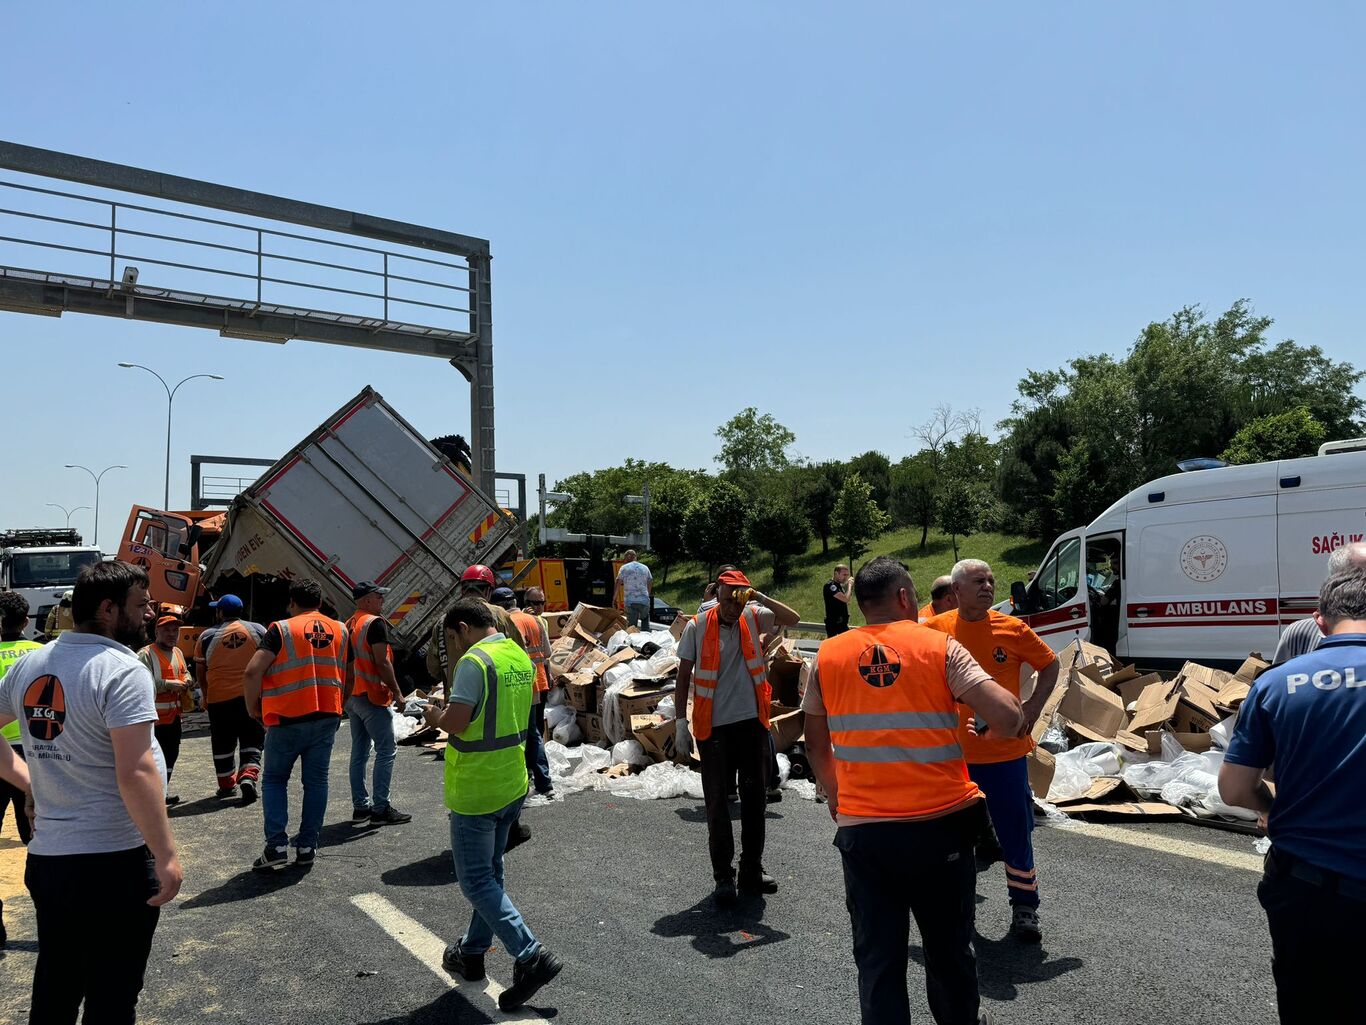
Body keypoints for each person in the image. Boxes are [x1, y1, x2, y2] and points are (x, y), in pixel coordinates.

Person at [804, 556, 1024, 1025]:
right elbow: (1008, 717)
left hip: (864, 833)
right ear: (905, 598)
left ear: (860, 603)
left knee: (879, 961)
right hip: (939, 828)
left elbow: (815, 738)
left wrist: (834, 793)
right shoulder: (940, 647)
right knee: (947, 954)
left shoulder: (828, 656)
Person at [0, 561, 183, 1023]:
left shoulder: (32, 663)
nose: (147, 615)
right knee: (112, 995)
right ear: (107, 608)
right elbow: (136, 770)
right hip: (113, 859)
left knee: (56, 988)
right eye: (140, 606)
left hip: (50, 863)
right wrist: (164, 855)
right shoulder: (120, 670)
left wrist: (30, 782)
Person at [1219, 560, 1366, 1024]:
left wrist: (1269, 805)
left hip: (1309, 891)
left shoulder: (1277, 684)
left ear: (1319, 621)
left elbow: (1234, 788)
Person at [425, 598, 564, 1012]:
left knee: (475, 881)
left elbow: (457, 722)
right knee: (492, 873)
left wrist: (434, 715)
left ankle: (530, 954)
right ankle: (472, 953)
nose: (453, 647)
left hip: (478, 786)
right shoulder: (517, 656)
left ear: (464, 628)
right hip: (511, 781)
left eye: (452, 639)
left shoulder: (474, 661)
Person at [923, 558, 1059, 943]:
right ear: (956, 592)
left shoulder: (1012, 628)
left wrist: (1031, 709)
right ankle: (957, 906)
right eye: (978, 581)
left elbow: (1050, 665)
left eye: (991, 580)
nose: (987, 586)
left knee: (1016, 833)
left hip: (1004, 756)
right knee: (952, 839)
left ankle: (1025, 907)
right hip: (953, 758)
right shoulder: (934, 630)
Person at [674, 568, 800, 906]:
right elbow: (683, 673)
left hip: (751, 725)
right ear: (717, 594)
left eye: (738, 599)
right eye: (728, 599)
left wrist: (756, 597)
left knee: (755, 800)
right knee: (717, 804)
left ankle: (751, 870)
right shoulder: (697, 626)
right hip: (713, 728)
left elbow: (794, 618)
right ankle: (723, 878)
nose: (733, 606)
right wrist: (679, 723)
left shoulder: (753, 615)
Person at [243, 578, 348, 871]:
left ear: (292, 602)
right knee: (316, 782)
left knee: (275, 780)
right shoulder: (340, 629)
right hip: (327, 714)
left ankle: (277, 845)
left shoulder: (282, 628)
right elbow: (345, 672)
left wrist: (253, 707)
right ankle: (307, 846)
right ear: (320, 602)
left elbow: (253, 671)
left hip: (288, 717)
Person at [425, 565, 533, 849]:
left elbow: (433, 665)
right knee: (508, 756)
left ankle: (472, 822)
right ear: (488, 589)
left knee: (469, 760)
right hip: (504, 697)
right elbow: (517, 651)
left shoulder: (443, 622)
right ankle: (506, 825)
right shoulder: (499, 616)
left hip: (458, 700)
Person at [344, 581, 413, 827]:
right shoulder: (374, 624)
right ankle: (381, 808)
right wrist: (398, 693)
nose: (382, 601)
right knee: (386, 750)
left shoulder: (349, 623)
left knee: (359, 753)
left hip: (353, 696)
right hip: (372, 696)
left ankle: (361, 807)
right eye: (378, 596)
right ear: (366, 600)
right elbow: (383, 663)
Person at [194, 593, 267, 803]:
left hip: (219, 700)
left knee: (222, 742)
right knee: (253, 737)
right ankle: (248, 776)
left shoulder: (207, 636)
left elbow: (201, 670)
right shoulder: (258, 630)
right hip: (250, 696)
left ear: (220, 612)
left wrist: (206, 696)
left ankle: (226, 785)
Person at [0, 590, 41, 947]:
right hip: (34, 755)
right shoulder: (40, 655)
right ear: (26, 622)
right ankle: (51, 919)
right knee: (41, 839)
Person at [497, 587, 556, 803]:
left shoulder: (507, 623)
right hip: (537, 682)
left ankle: (536, 780)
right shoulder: (535, 621)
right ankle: (540, 779)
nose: (540, 607)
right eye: (537, 603)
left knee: (526, 733)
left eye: (542, 603)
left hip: (520, 684)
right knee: (534, 732)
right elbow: (547, 653)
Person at [138, 612, 192, 805]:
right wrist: (169, 684)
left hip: (173, 716)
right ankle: (152, 796)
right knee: (153, 759)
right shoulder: (145, 654)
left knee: (170, 755)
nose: (171, 634)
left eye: (175, 630)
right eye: (166, 630)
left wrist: (187, 680)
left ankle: (162, 791)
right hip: (153, 719)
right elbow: (141, 683)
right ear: (156, 632)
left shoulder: (177, 652)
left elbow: (184, 672)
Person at [615, 550, 654, 630]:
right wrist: (648, 595)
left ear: (626, 558)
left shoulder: (623, 568)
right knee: (645, 622)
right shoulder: (645, 567)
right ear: (635, 557)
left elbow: (618, 582)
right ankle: (645, 639)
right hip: (644, 601)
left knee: (632, 628)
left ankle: (633, 641)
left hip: (630, 602)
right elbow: (650, 581)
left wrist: (614, 598)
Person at [823, 564, 852, 637]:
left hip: (841, 622)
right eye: (844, 575)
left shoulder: (837, 585)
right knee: (835, 644)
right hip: (834, 623)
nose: (845, 577)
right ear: (836, 573)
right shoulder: (831, 586)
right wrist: (850, 586)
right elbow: (845, 599)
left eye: (847, 575)